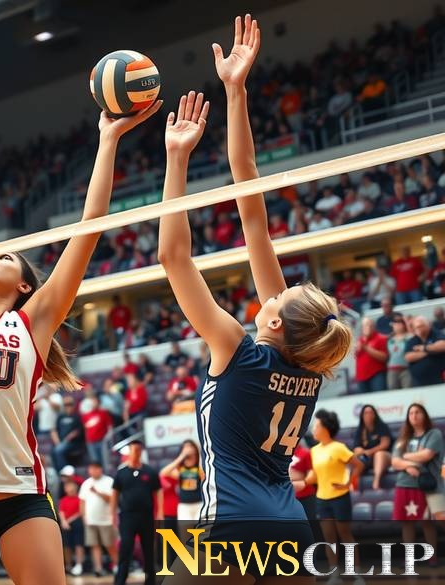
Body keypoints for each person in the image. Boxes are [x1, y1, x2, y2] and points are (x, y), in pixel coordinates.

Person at [0, 74, 160, 585]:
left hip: (21, 499)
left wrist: (108, 141)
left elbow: (90, 227)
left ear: (23, 285)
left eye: (8, 256)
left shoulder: (33, 321)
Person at [159, 15, 352, 580]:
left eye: (283, 294)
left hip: (236, 523)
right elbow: (252, 209)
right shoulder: (302, 359)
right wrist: (236, 92)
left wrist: (177, 159)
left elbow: (175, 257)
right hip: (289, 522)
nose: (278, 288)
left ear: (272, 319)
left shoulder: (238, 346)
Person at [307, 410, 363, 584]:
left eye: (316, 426)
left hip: (340, 497)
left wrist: (348, 483)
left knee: (345, 535)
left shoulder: (338, 447)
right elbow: (315, 475)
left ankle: (357, 575)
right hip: (322, 499)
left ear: (326, 428)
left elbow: (358, 465)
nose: (314, 429)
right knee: (329, 538)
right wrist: (303, 480)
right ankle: (335, 574)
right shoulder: (314, 451)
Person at [111, 440, 160, 585]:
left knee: (148, 550)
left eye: (138, 449)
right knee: (125, 548)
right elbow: (114, 494)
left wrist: (160, 512)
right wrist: (112, 514)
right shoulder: (121, 473)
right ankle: (120, 581)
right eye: (133, 449)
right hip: (127, 517)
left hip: (146, 516)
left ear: (141, 451)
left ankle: (150, 581)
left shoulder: (149, 471)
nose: (136, 452)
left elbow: (158, 492)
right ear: (129, 452)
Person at [391, 404, 444, 534]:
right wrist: (410, 465)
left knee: (440, 518)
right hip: (408, 484)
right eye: (411, 413)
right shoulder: (403, 439)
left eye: (417, 412)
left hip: (431, 484)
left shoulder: (434, 434)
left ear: (424, 415)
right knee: (409, 523)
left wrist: (406, 455)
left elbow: (426, 455)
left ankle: (433, 555)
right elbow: (395, 462)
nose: (414, 416)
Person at [78, 463, 116, 578]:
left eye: (95, 468)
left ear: (100, 469)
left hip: (106, 519)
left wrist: (97, 492)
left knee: (109, 544)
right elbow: (82, 501)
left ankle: (117, 565)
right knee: (94, 545)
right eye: (90, 468)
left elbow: (111, 499)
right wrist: (83, 516)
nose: (92, 470)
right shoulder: (86, 483)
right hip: (91, 520)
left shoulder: (109, 481)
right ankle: (98, 569)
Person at [160, 440, 204, 522]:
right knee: (185, 533)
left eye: (190, 446)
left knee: (200, 532)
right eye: (185, 447)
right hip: (184, 506)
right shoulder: (180, 470)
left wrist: (196, 456)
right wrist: (182, 456)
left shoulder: (198, 468)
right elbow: (164, 473)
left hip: (199, 504)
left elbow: (205, 476)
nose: (188, 449)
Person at [352, 405, 393, 490]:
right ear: (362, 416)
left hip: (385, 457)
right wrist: (360, 451)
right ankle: (352, 485)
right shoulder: (359, 430)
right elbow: (356, 448)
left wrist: (369, 451)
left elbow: (385, 444)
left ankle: (376, 482)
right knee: (358, 459)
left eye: (371, 412)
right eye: (366, 413)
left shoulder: (382, 426)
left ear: (375, 414)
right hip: (368, 458)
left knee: (379, 454)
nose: (368, 415)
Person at [404, 316, 445, 387]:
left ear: (428, 325)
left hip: (438, 378)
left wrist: (424, 348)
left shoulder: (435, 333)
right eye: (416, 327)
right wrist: (430, 350)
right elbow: (408, 357)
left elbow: (442, 346)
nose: (419, 329)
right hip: (419, 381)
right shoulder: (413, 340)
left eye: (421, 326)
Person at [58, 479, 85, 576]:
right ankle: (68, 565)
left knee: (79, 544)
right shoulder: (63, 500)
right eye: (68, 486)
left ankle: (79, 565)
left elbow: (81, 512)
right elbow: (61, 512)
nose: (70, 488)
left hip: (77, 523)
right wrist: (64, 521)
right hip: (65, 525)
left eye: (71, 486)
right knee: (66, 545)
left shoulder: (79, 499)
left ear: (76, 487)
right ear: (65, 489)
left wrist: (68, 521)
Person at [354, 317, 388, 393]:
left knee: (379, 397)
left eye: (370, 325)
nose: (368, 327)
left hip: (376, 374)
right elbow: (355, 356)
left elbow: (384, 357)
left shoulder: (381, 338)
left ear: (374, 327)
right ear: (362, 328)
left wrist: (366, 348)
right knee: (365, 402)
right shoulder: (359, 340)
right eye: (366, 325)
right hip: (361, 376)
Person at [52, 396, 86, 471]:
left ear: (73, 405)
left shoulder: (77, 416)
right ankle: (59, 473)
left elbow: (79, 431)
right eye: (65, 404)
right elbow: (55, 430)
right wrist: (58, 442)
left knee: (58, 450)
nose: (68, 406)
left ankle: (65, 472)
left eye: (70, 404)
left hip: (74, 443)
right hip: (61, 442)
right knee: (54, 451)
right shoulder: (60, 417)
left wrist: (69, 437)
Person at [387, 314, 412, 389]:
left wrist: (407, 322)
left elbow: (413, 335)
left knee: (408, 389)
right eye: (395, 322)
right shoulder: (390, 339)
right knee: (393, 392)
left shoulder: (409, 337)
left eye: (400, 322)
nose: (397, 324)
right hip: (392, 369)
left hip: (406, 369)